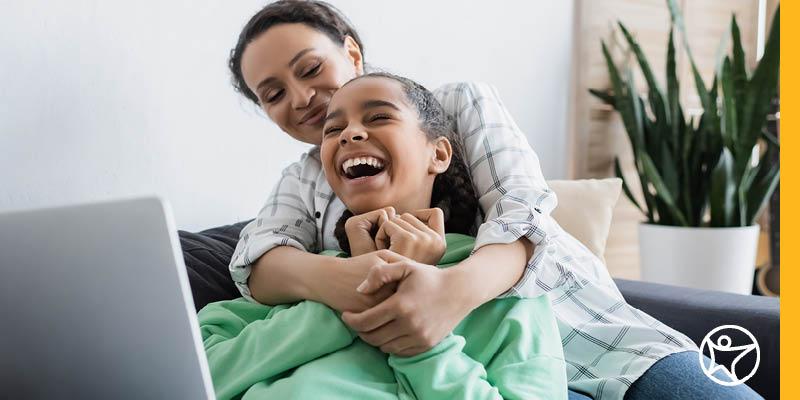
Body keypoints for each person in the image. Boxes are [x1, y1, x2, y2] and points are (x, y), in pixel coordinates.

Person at [225, 1, 761, 399]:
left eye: (310, 68)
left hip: (592, 336)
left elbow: (521, 212)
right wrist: (369, 278)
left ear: (351, 52)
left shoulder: (455, 103)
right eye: (272, 94)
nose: (301, 98)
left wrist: (446, 292)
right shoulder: (304, 175)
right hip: (458, 371)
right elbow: (257, 263)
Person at [199, 72, 567, 399]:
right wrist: (347, 296)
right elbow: (198, 373)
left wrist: (422, 346)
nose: (350, 134)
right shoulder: (308, 278)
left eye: (379, 117)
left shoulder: (506, 296)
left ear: (438, 153)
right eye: (332, 130)